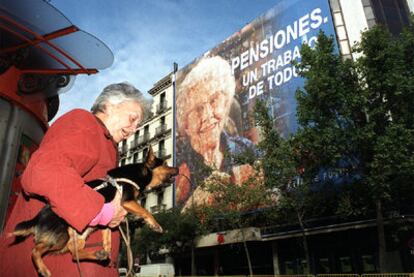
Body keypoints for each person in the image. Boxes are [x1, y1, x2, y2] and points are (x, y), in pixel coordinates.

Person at [0, 82, 145, 276]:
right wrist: (102, 212)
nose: (134, 128)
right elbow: (43, 170)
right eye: (133, 118)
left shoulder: (105, 143)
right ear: (110, 105)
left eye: (138, 124)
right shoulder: (84, 122)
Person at [175, 55, 256, 208]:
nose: (207, 115)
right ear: (186, 124)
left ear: (225, 102)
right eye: (198, 109)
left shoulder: (246, 149)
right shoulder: (179, 172)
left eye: (213, 101)